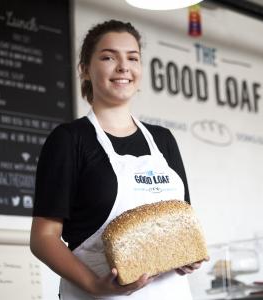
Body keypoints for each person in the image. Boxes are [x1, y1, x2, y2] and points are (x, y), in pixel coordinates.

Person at [30, 20, 206, 299]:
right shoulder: (69, 140)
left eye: (132, 58)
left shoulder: (164, 140)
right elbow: (43, 238)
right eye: (109, 57)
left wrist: (189, 254)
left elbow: (183, 221)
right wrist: (94, 285)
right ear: (85, 69)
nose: (123, 67)